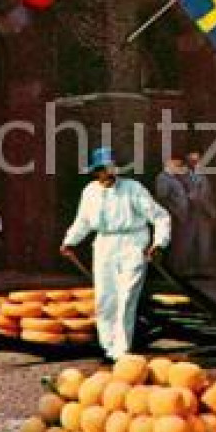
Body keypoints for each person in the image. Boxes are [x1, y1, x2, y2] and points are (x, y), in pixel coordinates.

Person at [60, 147, 170, 362]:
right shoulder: (90, 192)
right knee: (105, 297)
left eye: (110, 167)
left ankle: (121, 349)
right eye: (102, 169)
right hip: (104, 245)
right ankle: (108, 347)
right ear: (96, 171)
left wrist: (159, 243)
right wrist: (69, 241)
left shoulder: (133, 188)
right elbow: (82, 221)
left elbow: (160, 216)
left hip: (132, 243)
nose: (108, 172)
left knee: (127, 295)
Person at [154, 156, 192, 273]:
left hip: (179, 217)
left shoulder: (173, 178)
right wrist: (175, 214)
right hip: (173, 218)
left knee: (180, 245)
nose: (179, 166)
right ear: (169, 164)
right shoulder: (163, 178)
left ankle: (178, 269)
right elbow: (163, 199)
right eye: (176, 164)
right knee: (175, 246)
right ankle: (174, 271)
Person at [185, 152, 216, 276]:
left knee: (205, 242)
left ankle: (203, 268)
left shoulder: (203, 176)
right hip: (190, 214)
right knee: (188, 242)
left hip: (204, 214)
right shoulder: (183, 176)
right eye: (193, 160)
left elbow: (207, 196)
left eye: (197, 160)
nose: (196, 163)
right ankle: (187, 269)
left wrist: (211, 211)